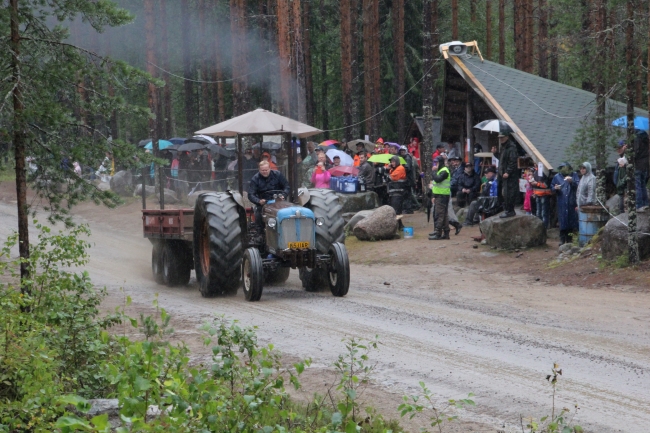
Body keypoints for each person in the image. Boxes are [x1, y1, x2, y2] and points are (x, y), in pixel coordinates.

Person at [248, 160, 290, 231]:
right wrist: (258, 201)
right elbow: (251, 194)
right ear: (259, 170)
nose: (265, 172)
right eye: (262, 170)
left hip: (278, 201)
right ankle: (260, 232)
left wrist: (284, 195)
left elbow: (287, 186)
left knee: (288, 212)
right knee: (258, 214)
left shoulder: (278, 175)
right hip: (264, 203)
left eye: (266, 170)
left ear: (270, 168)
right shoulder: (255, 179)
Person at [551, 162, 579, 245]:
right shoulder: (557, 176)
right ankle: (562, 240)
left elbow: (578, 184)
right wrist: (555, 188)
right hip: (561, 201)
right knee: (562, 220)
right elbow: (551, 187)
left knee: (571, 220)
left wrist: (572, 182)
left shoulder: (574, 175)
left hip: (571, 201)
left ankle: (569, 240)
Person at [429, 155, 451, 240]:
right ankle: (446, 232)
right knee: (444, 215)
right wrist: (434, 195)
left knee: (439, 214)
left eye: (437, 162)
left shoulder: (444, 171)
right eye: (435, 163)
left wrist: (433, 172)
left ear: (441, 163)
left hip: (442, 196)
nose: (435, 164)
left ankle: (438, 233)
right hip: (440, 195)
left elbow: (438, 179)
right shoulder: (440, 170)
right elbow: (436, 185)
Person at [498, 132, 519, 218]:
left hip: (510, 175)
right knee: (504, 193)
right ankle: (507, 209)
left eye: (502, 137)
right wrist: (495, 153)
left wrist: (508, 172)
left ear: (507, 137)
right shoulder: (503, 147)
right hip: (503, 174)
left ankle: (510, 210)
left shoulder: (511, 148)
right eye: (500, 137)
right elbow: (502, 160)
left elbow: (512, 161)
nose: (501, 139)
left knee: (509, 193)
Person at [633, 130, 649, 212]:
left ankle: (639, 205)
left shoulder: (636, 138)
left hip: (638, 165)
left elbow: (636, 152)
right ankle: (645, 204)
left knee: (637, 185)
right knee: (643, 185)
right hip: (645, 165)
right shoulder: (646, 138)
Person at [399, 145, 417, 214]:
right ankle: (408, 208)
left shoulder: (407, 158)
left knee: (407, 195)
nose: (402, 152)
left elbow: (407, 168)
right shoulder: (404, 158)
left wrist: (401, 169)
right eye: (401, 151)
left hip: (408, 180)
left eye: (403, 151)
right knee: (407, 195)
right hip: (407, 180)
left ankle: (409, 209)